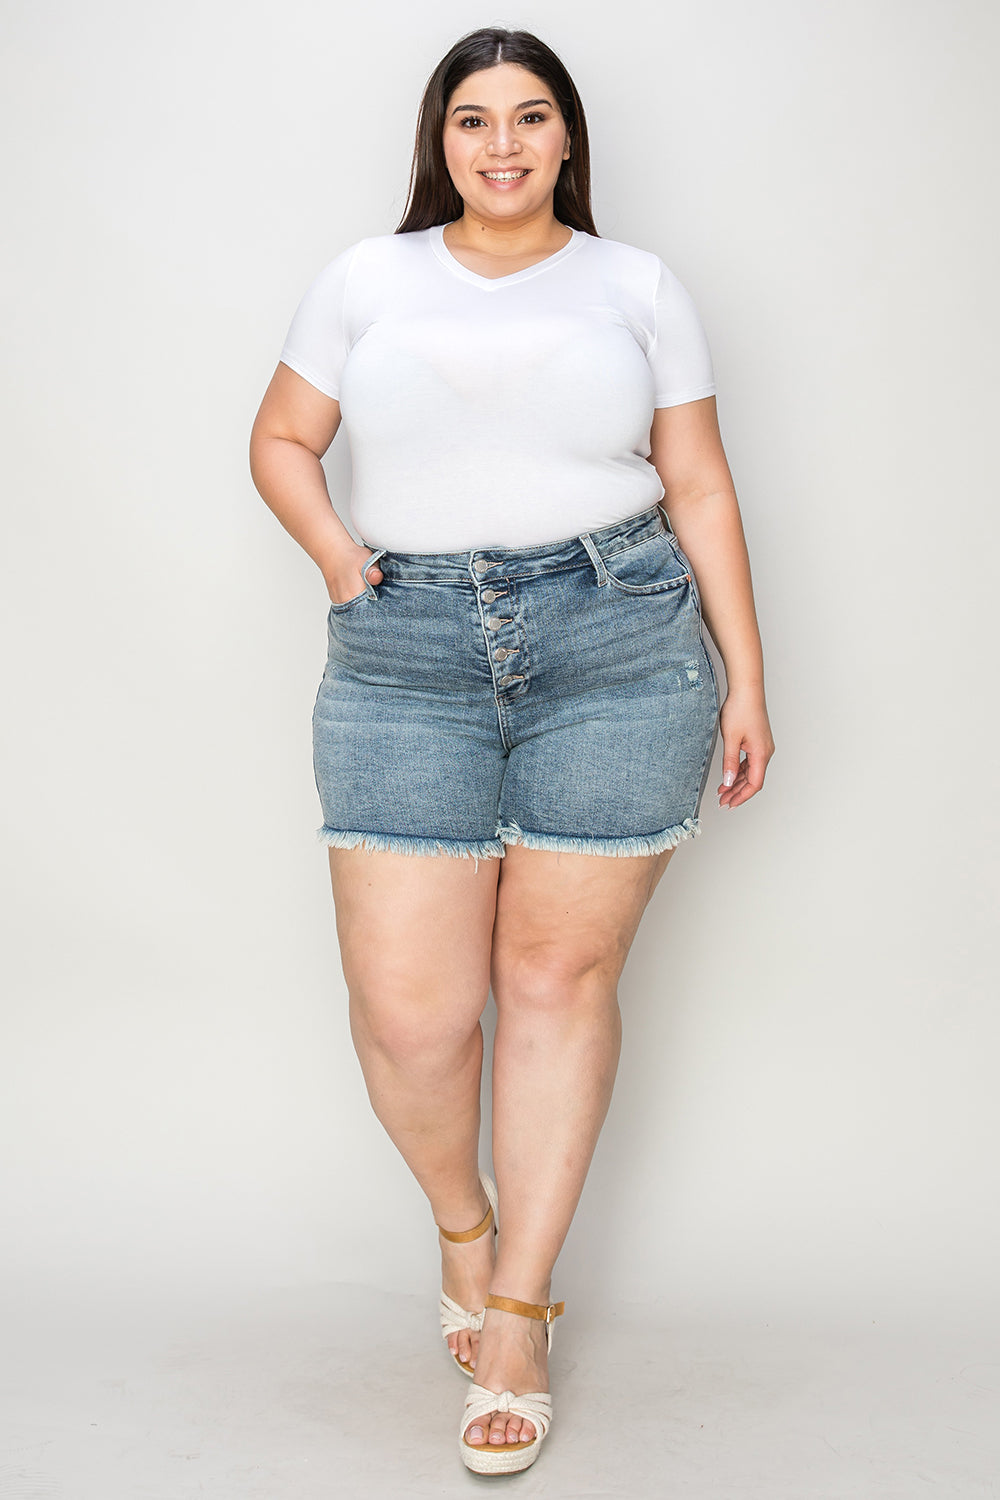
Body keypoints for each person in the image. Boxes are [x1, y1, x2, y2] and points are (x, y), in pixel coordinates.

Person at [249, 25, 774, 1476]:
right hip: (404, 654)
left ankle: (522, 1312)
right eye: (473, 120)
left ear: (564, 140)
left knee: (554, 978)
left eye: (529, 117)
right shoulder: (366, 279)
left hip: (618, 640)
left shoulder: (638, 286)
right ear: (443, 141)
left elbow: (700, 481)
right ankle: (464, 1226)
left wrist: (747, 676)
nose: (501, 144)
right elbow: (281, 440)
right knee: (415, 1016)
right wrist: (348, 565)